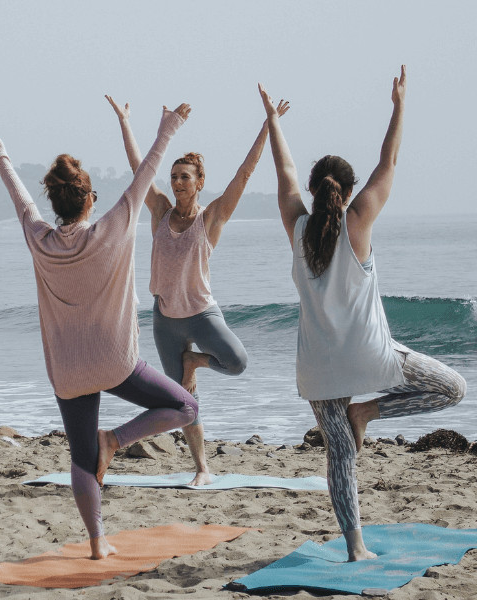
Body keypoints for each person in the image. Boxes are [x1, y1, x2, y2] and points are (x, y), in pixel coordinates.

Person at [260, 66, 466, 561]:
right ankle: (369, 410)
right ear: (348, 192)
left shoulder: (296, 228)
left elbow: (283, 175)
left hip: (318, 369)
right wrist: (398, 107)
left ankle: (356, 547)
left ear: (313, 191)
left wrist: (274, 122)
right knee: (452, 389)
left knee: (340, 456)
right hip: (372, 358)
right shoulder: (359, 222)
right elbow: (389, 161)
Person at [0, 104, 198, 560]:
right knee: (185, 406)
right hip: (116, 363)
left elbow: (19, 196)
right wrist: (169, 127)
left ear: (56, 205)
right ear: (90, 198)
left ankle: (97, 544)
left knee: (80, 459)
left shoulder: (38, 238)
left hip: (69, 372)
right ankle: (115, 440)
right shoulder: (112, 229)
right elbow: (147, 173)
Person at [105, 94, 289, 486]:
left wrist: (266, 126)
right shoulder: (158, 212)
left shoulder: (213, 218)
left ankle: (195, 362)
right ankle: (202, 468)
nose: (176, 182)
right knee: (185, 405)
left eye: (184, 176)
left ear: (200, 182)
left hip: (203, 315)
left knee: (237, 362)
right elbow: (141, 167)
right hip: (165, 319)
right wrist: (124, 121)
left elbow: (245, 173)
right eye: (173, 176)